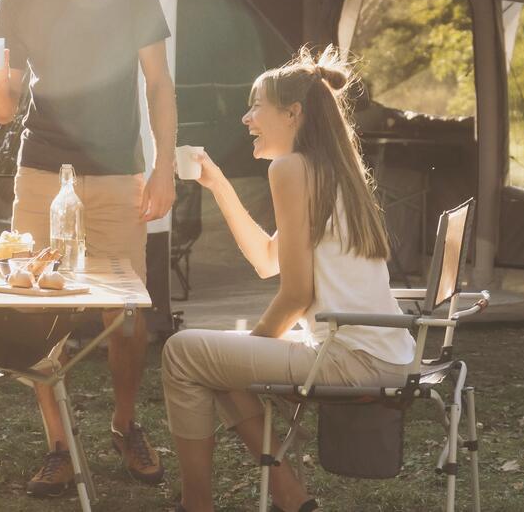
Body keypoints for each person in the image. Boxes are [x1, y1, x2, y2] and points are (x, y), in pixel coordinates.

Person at [162, 48, 416, 512]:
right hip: (386, 353)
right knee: (216, 359)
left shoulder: (292, 169)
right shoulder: (330, 170)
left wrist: (251, 354)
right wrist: (218, 184)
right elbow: (266, 260)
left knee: (182, 354)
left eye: (256, 105)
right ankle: (291, 499)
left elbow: (297, 293)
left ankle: (196, 505)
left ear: (292, 113)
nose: (246, 118)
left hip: (351, 356)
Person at [0, 0, 176, 496]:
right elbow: (6, 111)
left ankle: (125, 424)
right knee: (35, 310)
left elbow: (158, 83)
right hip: (41, 169)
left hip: (117, 170)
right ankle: (58, 444)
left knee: (127, 314)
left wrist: (164, 167)